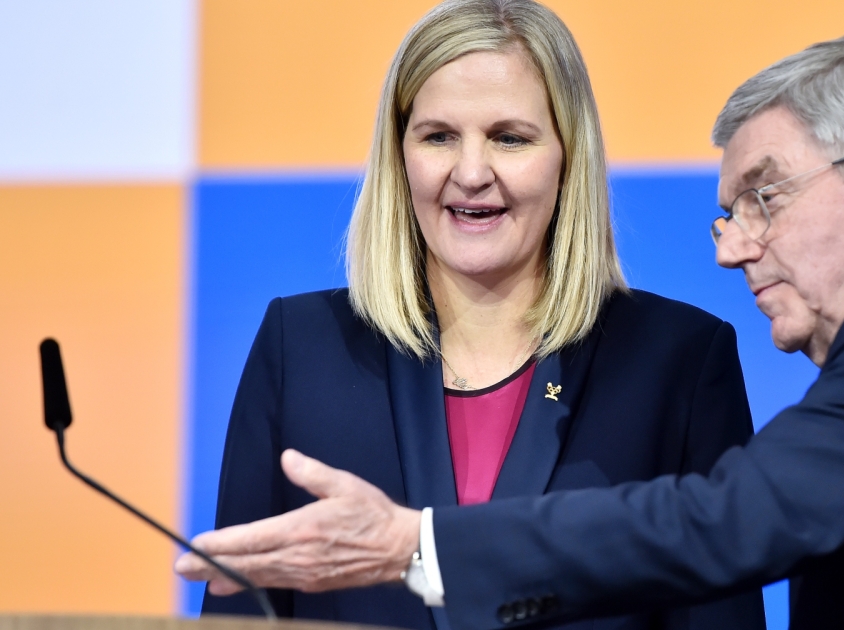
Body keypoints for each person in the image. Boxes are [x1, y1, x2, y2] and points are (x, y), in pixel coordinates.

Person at [178, 35, 844, 629]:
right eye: (728, 212)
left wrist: (414, 542)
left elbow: (723, 521)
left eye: (764, 197)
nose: (734, 248)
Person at [193, 1, 767, 629]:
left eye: (509, 138)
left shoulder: (678, 361)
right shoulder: (300, 348)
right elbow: (240, 612)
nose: (470, 173)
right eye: (438, 136)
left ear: (568, 157)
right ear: (399, 156)